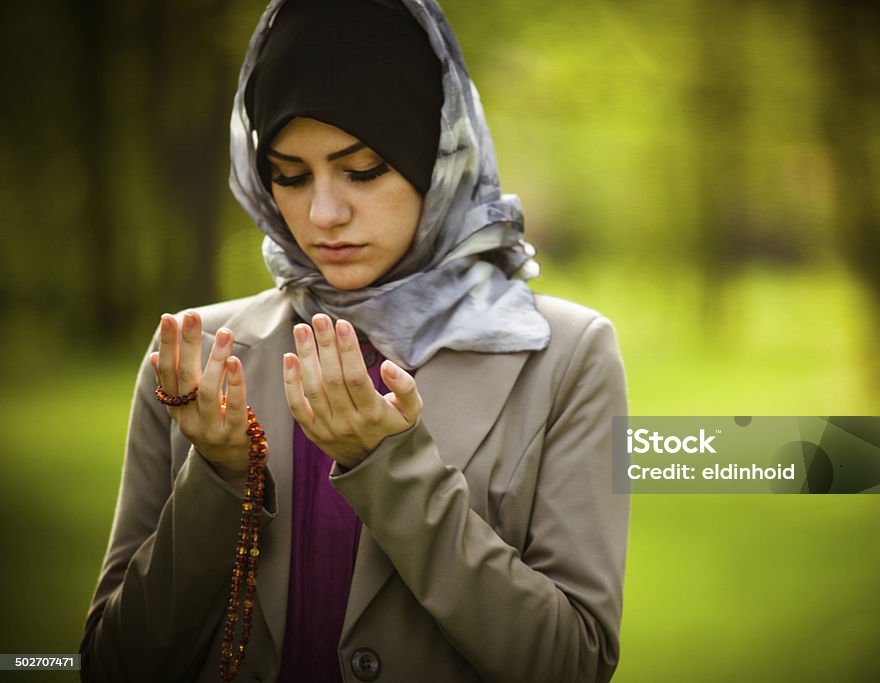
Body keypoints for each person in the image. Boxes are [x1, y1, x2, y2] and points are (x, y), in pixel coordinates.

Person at [80, 0, 629, 681]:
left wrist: (391, 468)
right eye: (289, 173)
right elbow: (113, 662)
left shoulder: (567, 358)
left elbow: (571, 661)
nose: (323, 214)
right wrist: (220, 478)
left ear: (439, 157)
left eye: (363, 169)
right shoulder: (197, 357)